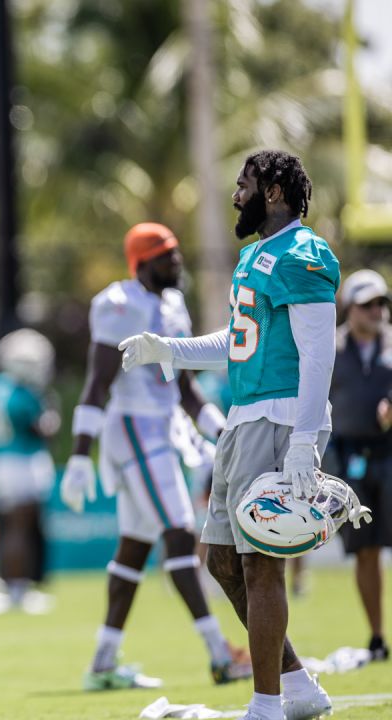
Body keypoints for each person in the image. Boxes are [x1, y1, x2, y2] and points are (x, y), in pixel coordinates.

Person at [119, 150, 338, 720]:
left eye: (243, 185)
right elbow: (239, 343)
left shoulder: (303, 253)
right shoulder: (254, 256)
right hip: (244, 415)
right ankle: (298, 685)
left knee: (261, 562)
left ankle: (267, 704)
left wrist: (303, 441)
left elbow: (318, 354)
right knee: (219, 557)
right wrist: (171, 350)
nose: (235, 194)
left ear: (271, 192)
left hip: (281, 417)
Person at [61, 222, 252, 690]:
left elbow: (185, 390)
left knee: (133, 550)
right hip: (133, 428)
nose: (178, 261)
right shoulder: (119, 304)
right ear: (143, 261)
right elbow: (97, 383)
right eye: (168, 255)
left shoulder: (171, 303)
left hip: (165, 430)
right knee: (180, 535)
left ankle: (103, 664)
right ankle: (219, 654)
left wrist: (222, 431)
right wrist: (80, 455)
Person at [324, 268, 392, 661]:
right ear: (350, 308)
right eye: (368, 304)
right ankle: (378, 636)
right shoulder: (328, 348)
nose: (377, 311)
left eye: (381, 303)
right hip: (350, 461)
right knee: (365, 551)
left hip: (389, 453)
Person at [0, 328, 58, 613]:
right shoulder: (22, 393)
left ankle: (11, 583)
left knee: (11, 525)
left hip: (2, 460)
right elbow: (41, 429)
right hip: (21, 460)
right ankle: (17, 587)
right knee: (20, 527)